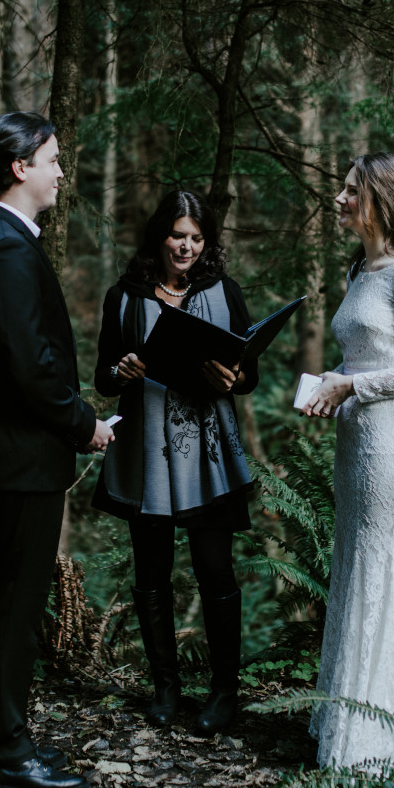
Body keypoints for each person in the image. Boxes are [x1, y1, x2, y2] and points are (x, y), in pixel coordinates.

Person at [0, 111, 116, 788]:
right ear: (19, 168)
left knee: (7, 605)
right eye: (50, 159)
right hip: (22, 456)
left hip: (14, 454)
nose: (59, 171)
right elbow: (30, 366)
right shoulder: (4, 249)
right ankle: (5, 752)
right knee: (13, 609)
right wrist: (84, 425)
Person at [301, 152, 394, 770]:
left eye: (349, 189)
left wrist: (350, 387)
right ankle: (350, 718)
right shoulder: (359, 270)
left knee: (386, 570)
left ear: (382, 200)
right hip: (359, 442)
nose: (337, 197)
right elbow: (371, 357)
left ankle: (385, 739)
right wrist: (336, 384)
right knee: (358, 566)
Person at [92, 190, 259, 736]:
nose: (185, 247)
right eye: (176, 236)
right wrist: (124, 370)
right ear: (159, 236)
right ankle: (165, 689)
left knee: (215, 569)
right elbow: (102, 378)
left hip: (208, 451)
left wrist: (231, 378)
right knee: (152, 570)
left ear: (206, 243)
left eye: (196, 238)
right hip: (147, 451)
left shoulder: (224, 292)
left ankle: (223, 694)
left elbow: (249, 372)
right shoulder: (125, 296)